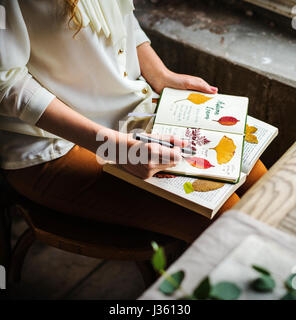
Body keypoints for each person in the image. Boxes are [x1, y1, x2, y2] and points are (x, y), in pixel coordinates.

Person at [0, 0, 266, 243]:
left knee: (262, 182)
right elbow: (7, 83)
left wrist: (161, 75)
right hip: (52, 144)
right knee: (225, 222)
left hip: (129, 110)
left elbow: (119, 15)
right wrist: (114, 147)